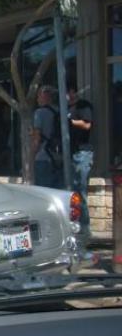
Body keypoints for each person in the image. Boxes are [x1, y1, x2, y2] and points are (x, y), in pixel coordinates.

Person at [67, 85, 94, 237]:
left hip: (83, 153)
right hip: (69, 153)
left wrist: (71, 121)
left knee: (81, 191)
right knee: (71, 192)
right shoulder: (64, 108)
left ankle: (85, 228)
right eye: (68, 91)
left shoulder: (83, 106)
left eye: (72, 91)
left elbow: (87, 124)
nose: (70, 94)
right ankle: (74, 226)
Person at [31, 86, 61, 188]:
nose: (37, 99)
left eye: (39, 95)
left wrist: (31, 156)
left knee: (43, 191)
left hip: (43, 157)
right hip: (58, 157)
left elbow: (37, 137)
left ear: (45, 96)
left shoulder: (39, 113)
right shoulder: (60, 111)